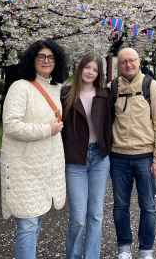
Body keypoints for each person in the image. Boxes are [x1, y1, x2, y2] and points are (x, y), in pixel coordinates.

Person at [0, 39, 68, 259]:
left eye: (50, 57)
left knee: (36, 223)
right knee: (28, 226)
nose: (46, 61)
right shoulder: (20, 87)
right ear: (32, 60)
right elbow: (11, 126)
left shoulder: (57, 88)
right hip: (24, 168)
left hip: (45, 167)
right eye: (41, 57)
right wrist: (47, 129)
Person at [110, 47, 156, 259]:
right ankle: (124, 248)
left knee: (148, 206)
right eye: (124, 61)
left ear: (139, 61)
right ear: (119, 64)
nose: (128, 64)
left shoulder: (151, 87)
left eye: (132, 60)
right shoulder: (113, 87)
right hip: (118, 157)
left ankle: (146, 250)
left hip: (145, 157)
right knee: (120, 206)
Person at [61, 53, 112, 259]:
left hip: (99, 158)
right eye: (87, 67)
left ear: (99, 73)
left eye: (95, 69)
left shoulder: (104, 95)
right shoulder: (66, 94)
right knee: (78, 218)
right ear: (80, 68)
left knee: (96, 215)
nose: (90, 72)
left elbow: (112, 123)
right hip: (75, 161)